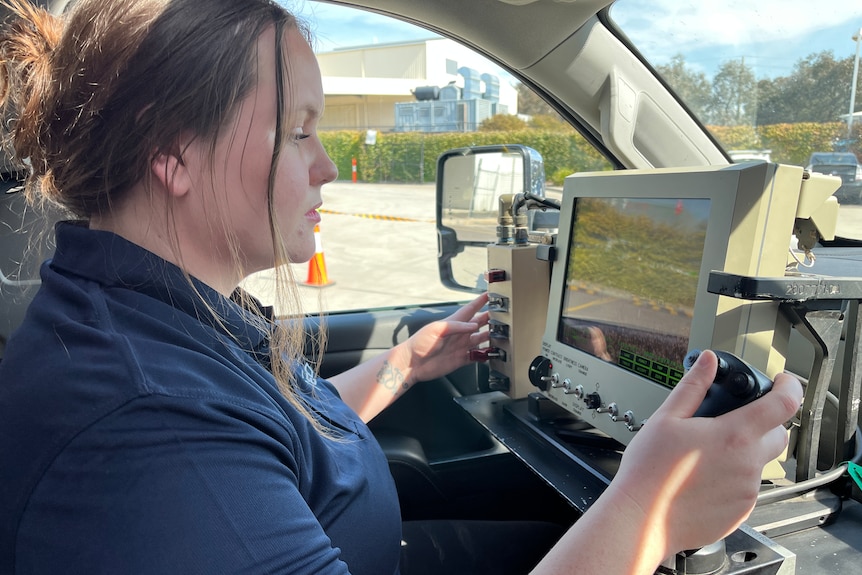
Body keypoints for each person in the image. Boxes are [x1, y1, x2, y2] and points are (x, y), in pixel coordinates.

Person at [0, 1, 802, 574]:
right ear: (172, 150)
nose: (324, 167)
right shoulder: (145, 433)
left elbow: (282, 426)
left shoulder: (155, 316)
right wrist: (648, 512)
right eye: (300, 130)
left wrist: (408, 363)